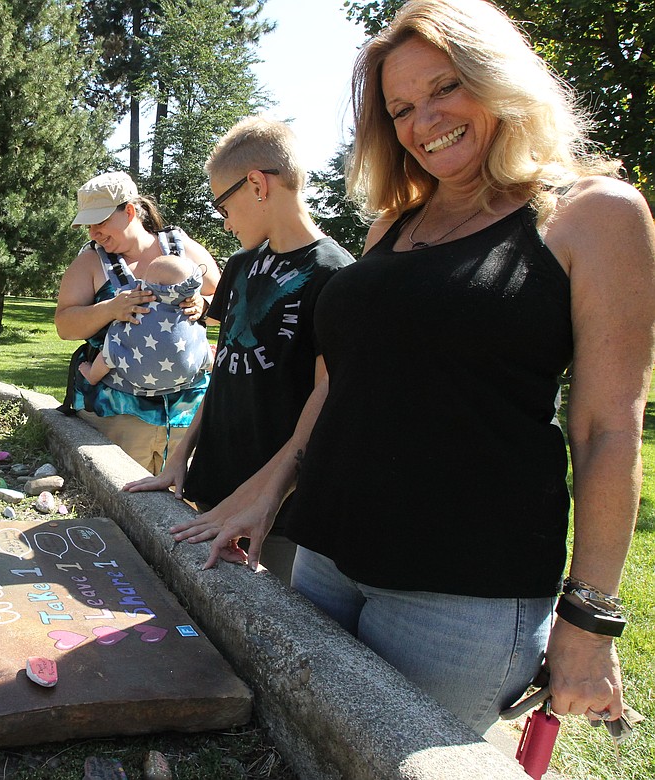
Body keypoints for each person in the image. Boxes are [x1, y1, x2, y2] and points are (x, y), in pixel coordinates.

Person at [195, 0, 655, 734]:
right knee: (303, 748)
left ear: (498, 75)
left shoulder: (592, 214)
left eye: (445, 87)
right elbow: (339, 382)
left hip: (461, 593)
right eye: (401, 106)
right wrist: (267, 490)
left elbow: (606, 427)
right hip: (324, 556)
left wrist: (589, 618)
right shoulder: (393, 224)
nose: (424, 119)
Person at [124, 117, 355, 584]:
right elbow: (227, 369)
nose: (223, 221)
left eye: (221, 204)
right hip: (212, 487)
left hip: (280, 513)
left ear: (256, 184)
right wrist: (178, 459)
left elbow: (326, 404)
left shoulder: (337, 276)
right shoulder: (241, 265)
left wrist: (258, 499)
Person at [55, 171, 221, 474]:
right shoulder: (91, 263)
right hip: (119, 417)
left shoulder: (181, 249)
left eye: (101, 222)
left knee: (187, 508)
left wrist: (204, 304)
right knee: (122, 503)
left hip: (189, 413)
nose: (94, 233)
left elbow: (226, 299)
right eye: (89, 225)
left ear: (129, 211)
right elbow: (65, 325)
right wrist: (110, 309)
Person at [79, 253, 213, 395]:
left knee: (112, 345)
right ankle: (214, 366)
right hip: (186, 374)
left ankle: (92, 376)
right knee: (199, 341)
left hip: (136, 376)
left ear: (155, 284)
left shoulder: (139, 298)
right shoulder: (189, 305)